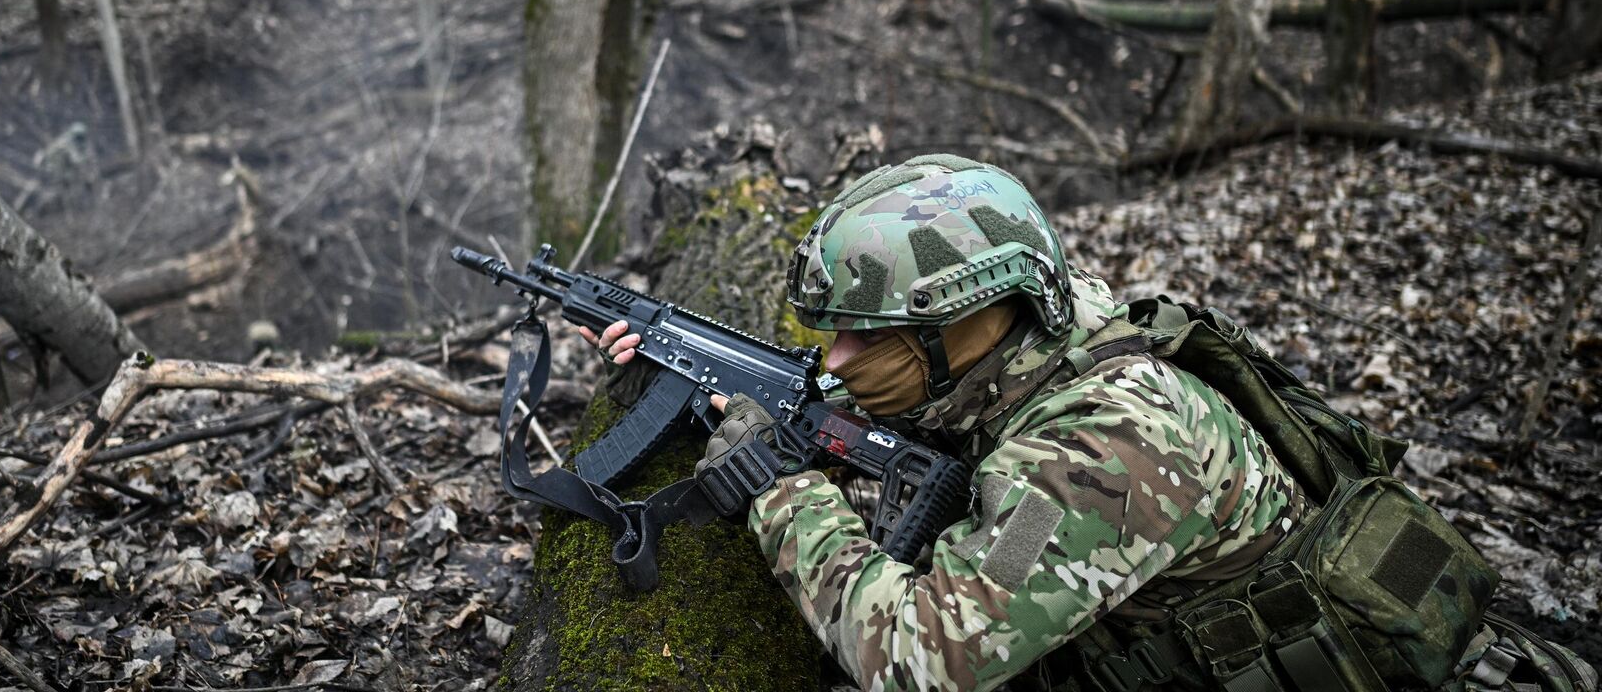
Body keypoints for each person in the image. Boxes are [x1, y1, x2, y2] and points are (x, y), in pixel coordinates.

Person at [580, 154, 1595, 692]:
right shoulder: (1049, 331)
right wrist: (698, 376)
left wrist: (783, 489)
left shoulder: (1104, 446)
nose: (832, 364)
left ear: (966, 326)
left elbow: (925, 661)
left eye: (863, 340)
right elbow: (894, 424)